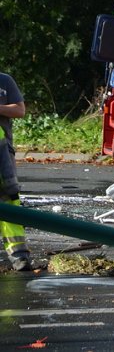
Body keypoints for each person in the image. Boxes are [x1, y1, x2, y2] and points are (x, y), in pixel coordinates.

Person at [0, 72, 31, 271]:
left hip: (3, 151)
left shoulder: (4, 81)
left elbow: (20, 110)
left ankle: (18, 254)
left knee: (9, 198)